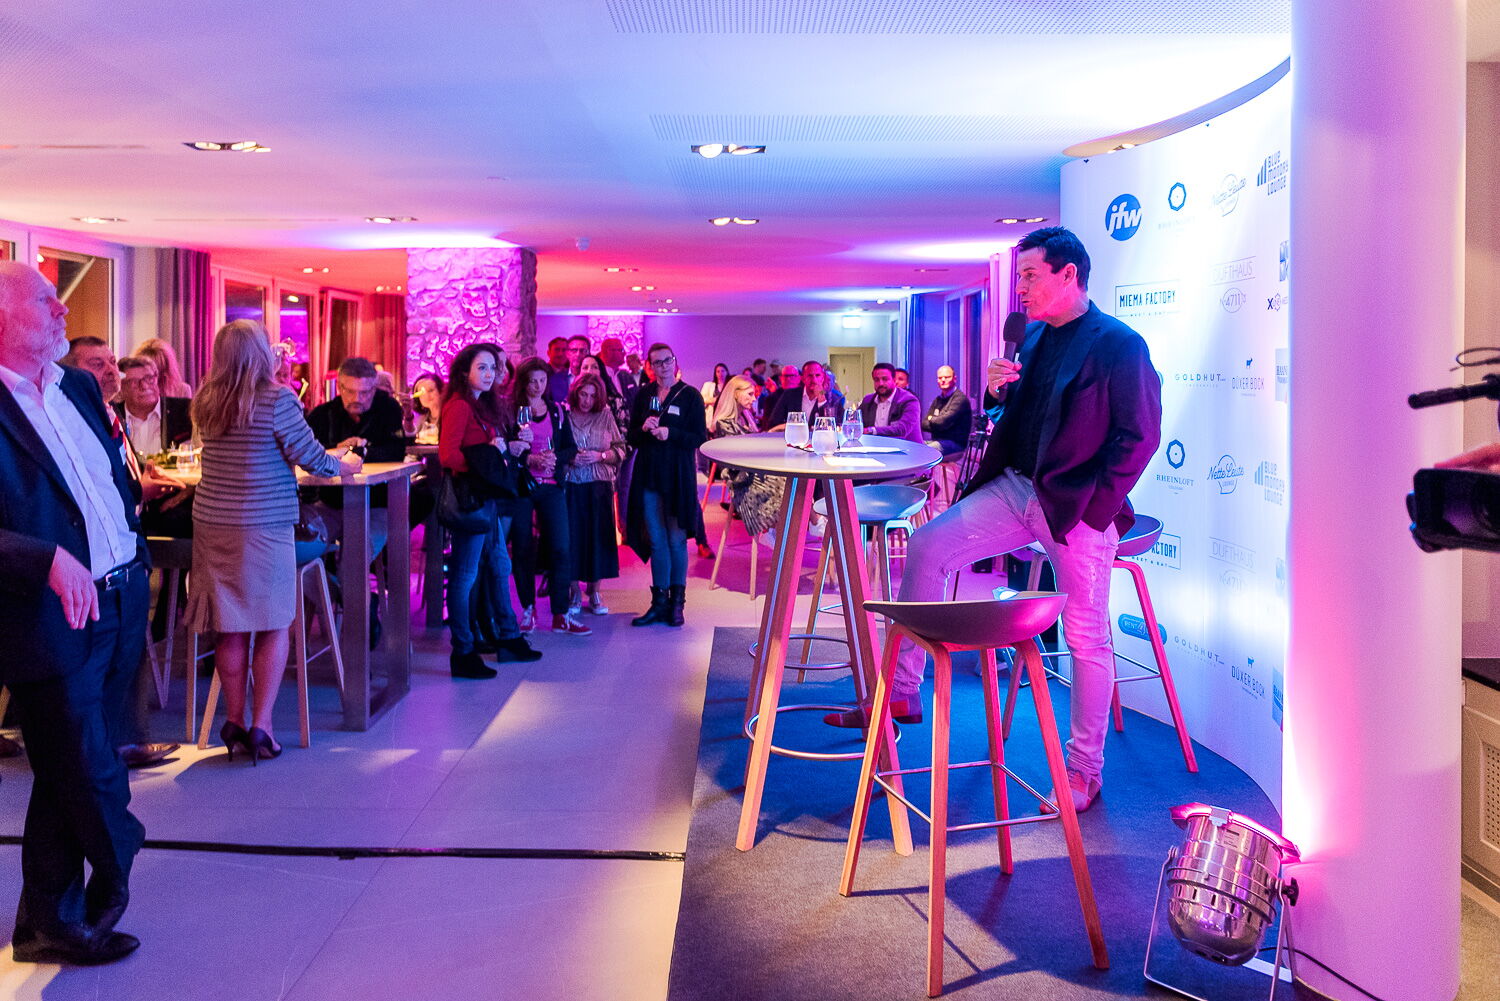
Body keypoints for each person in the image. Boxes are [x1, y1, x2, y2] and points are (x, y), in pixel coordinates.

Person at [828, 227, 1161, 815]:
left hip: (1076, 506)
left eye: (1030, 275)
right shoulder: (1030, 337)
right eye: (1020, 276)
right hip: (1015, 488)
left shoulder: (1119, 344)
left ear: (1068, 274)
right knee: (928, 547)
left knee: (1086, 635)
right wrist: (995, 392)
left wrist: (1096, 509)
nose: (1020, 288)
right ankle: (902, 692)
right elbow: (1020, 416)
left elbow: (1140, 436)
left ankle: (1084, 770)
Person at [0, 262, 147, 965]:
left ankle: (47, 923)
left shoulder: (79, 387)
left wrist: (130, 552)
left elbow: (110, 481)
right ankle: (116, 867)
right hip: (47, 610)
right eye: (44, 299)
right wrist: (46, 559)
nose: (63, 309)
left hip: (121, 595)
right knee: (89, 770)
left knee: (70, 768)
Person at [187, 319, 361, 763]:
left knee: (229, 624)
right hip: (262, 525)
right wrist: (347, 464)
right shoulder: (277, 398)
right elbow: (312, 458)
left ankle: (235, 721)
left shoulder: (205, 399)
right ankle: (262, 727)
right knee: (272, 621)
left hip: (211, 524)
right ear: (261, 354)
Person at [438, 343, 539, 677]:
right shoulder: (459, 406)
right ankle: (463, 651)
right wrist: (486, 456)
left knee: (499, 563)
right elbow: (448, 456)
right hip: (470, 499)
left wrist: (497, 450)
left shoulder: (481, 405)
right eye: (481, 367)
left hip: (485, 497)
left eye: (492, 368)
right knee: (465, 574)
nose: (489, 374)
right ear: (464, 371)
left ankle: (509, 637)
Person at [626, 341, 707, 627]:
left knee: (676, 540)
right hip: (648, 474)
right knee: (656, 540)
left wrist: (669, 433)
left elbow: (699, 438)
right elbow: (631, 437)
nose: (663, 366)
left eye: (667, 360)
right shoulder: (644, 394)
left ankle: (677, 604)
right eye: (657, 362)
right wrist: (644, 429)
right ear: (650, 367)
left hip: (678, 476)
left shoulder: (690, 396)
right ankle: (658, 602)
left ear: (674, 361)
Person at [511, 356, 589, 635]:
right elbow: (506, 450)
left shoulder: (556, 411)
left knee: (560, 547)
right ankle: (528, 609)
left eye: (542, 380)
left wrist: (556, 457)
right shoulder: (512, 411)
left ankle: (561, 613)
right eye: (532, 381)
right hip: (522, 487)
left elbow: (570, 448)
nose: (537, 385)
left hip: (551, 485)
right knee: (522, 547)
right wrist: (528, 459)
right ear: (523, 382)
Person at [565, 374, 625, 615]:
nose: (587, 400)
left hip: (599, 485)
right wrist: (571, 457)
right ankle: (573, 592)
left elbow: (620, 449)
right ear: (575, 392)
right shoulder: (565, 415)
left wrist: (600, 456)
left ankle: (595, 591)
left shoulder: (605, 415)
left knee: (598, 539)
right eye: (583, 394)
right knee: (573, 538)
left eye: (592, 395)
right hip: (571, 483)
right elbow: (556, 448)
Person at [712, 376, 784, 538]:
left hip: (754, 471)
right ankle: (774, 532)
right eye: (750, 394)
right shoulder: (724, 423)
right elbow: (738, 459)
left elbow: (752, 446)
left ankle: (781, 534)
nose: (754, 399)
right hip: (743, 479)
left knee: (794, 480)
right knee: (788, 481)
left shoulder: (744, 417)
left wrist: (771, 433)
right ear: (735, 393)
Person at [115, 356, 193, 459]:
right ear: (120, 387)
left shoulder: (185, 411)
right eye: (134, 382)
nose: (144, 386)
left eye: (149, 378)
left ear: (156, 378)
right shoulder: (112, 417)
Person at [764, 359, 845, 430]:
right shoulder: (789, 395)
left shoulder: (833, 398)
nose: (814, 380)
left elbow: (837, 426)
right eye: (810, 376)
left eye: (817, 375)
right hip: (793, 439)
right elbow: (773, 423)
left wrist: (821, 400)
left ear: (822, 378)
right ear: (802, 378)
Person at [856, 362, 924, 442]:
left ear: (894, 380)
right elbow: (856, 421)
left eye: (885, 379)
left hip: (907, 447)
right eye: (876, 380)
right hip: (874, 447)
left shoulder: (909, 400)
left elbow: (902, 429)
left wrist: (871, 430)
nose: (881, 383)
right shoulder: (868, 400)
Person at [923, 364, 973, 456]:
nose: (943, 380)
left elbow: (942, 422)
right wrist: (939, 423)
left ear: (954, 379)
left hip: (955, 444)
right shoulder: (938, 399)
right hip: (937, 441)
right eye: (940, 378)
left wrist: (932, 419)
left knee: (925, 451)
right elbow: (924, 424)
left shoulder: (960, 399)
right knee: (915, 446)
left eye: (947, 377)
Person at [62, 336, 120, 404]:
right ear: (71, 372)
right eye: (97, 364)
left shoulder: (112, 407)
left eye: (113, 361)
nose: (112, 370)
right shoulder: (63, 409)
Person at [408, 371, 444, 442]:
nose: (426, 396)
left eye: (430, 390)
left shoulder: (449, 416)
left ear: (440, 391)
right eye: (422, 393)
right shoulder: (420, 420)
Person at [600, 337, 638, 405]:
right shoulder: (599, 378)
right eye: (622, 350)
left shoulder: (627, 376)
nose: (625, 353)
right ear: (609, 352)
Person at [761, 363, 799, 428]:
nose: (788, 379)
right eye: (786, 376)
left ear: (799, 378)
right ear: (781, 378)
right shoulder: (772, 398)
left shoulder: (803, 396)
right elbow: (767, 424)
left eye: (791, 376)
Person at [544, 337, 572, 405]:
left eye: (564, 350)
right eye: (557, 350)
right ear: (548, 353)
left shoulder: (571, 374)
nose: (560, 354)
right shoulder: (542, 373)